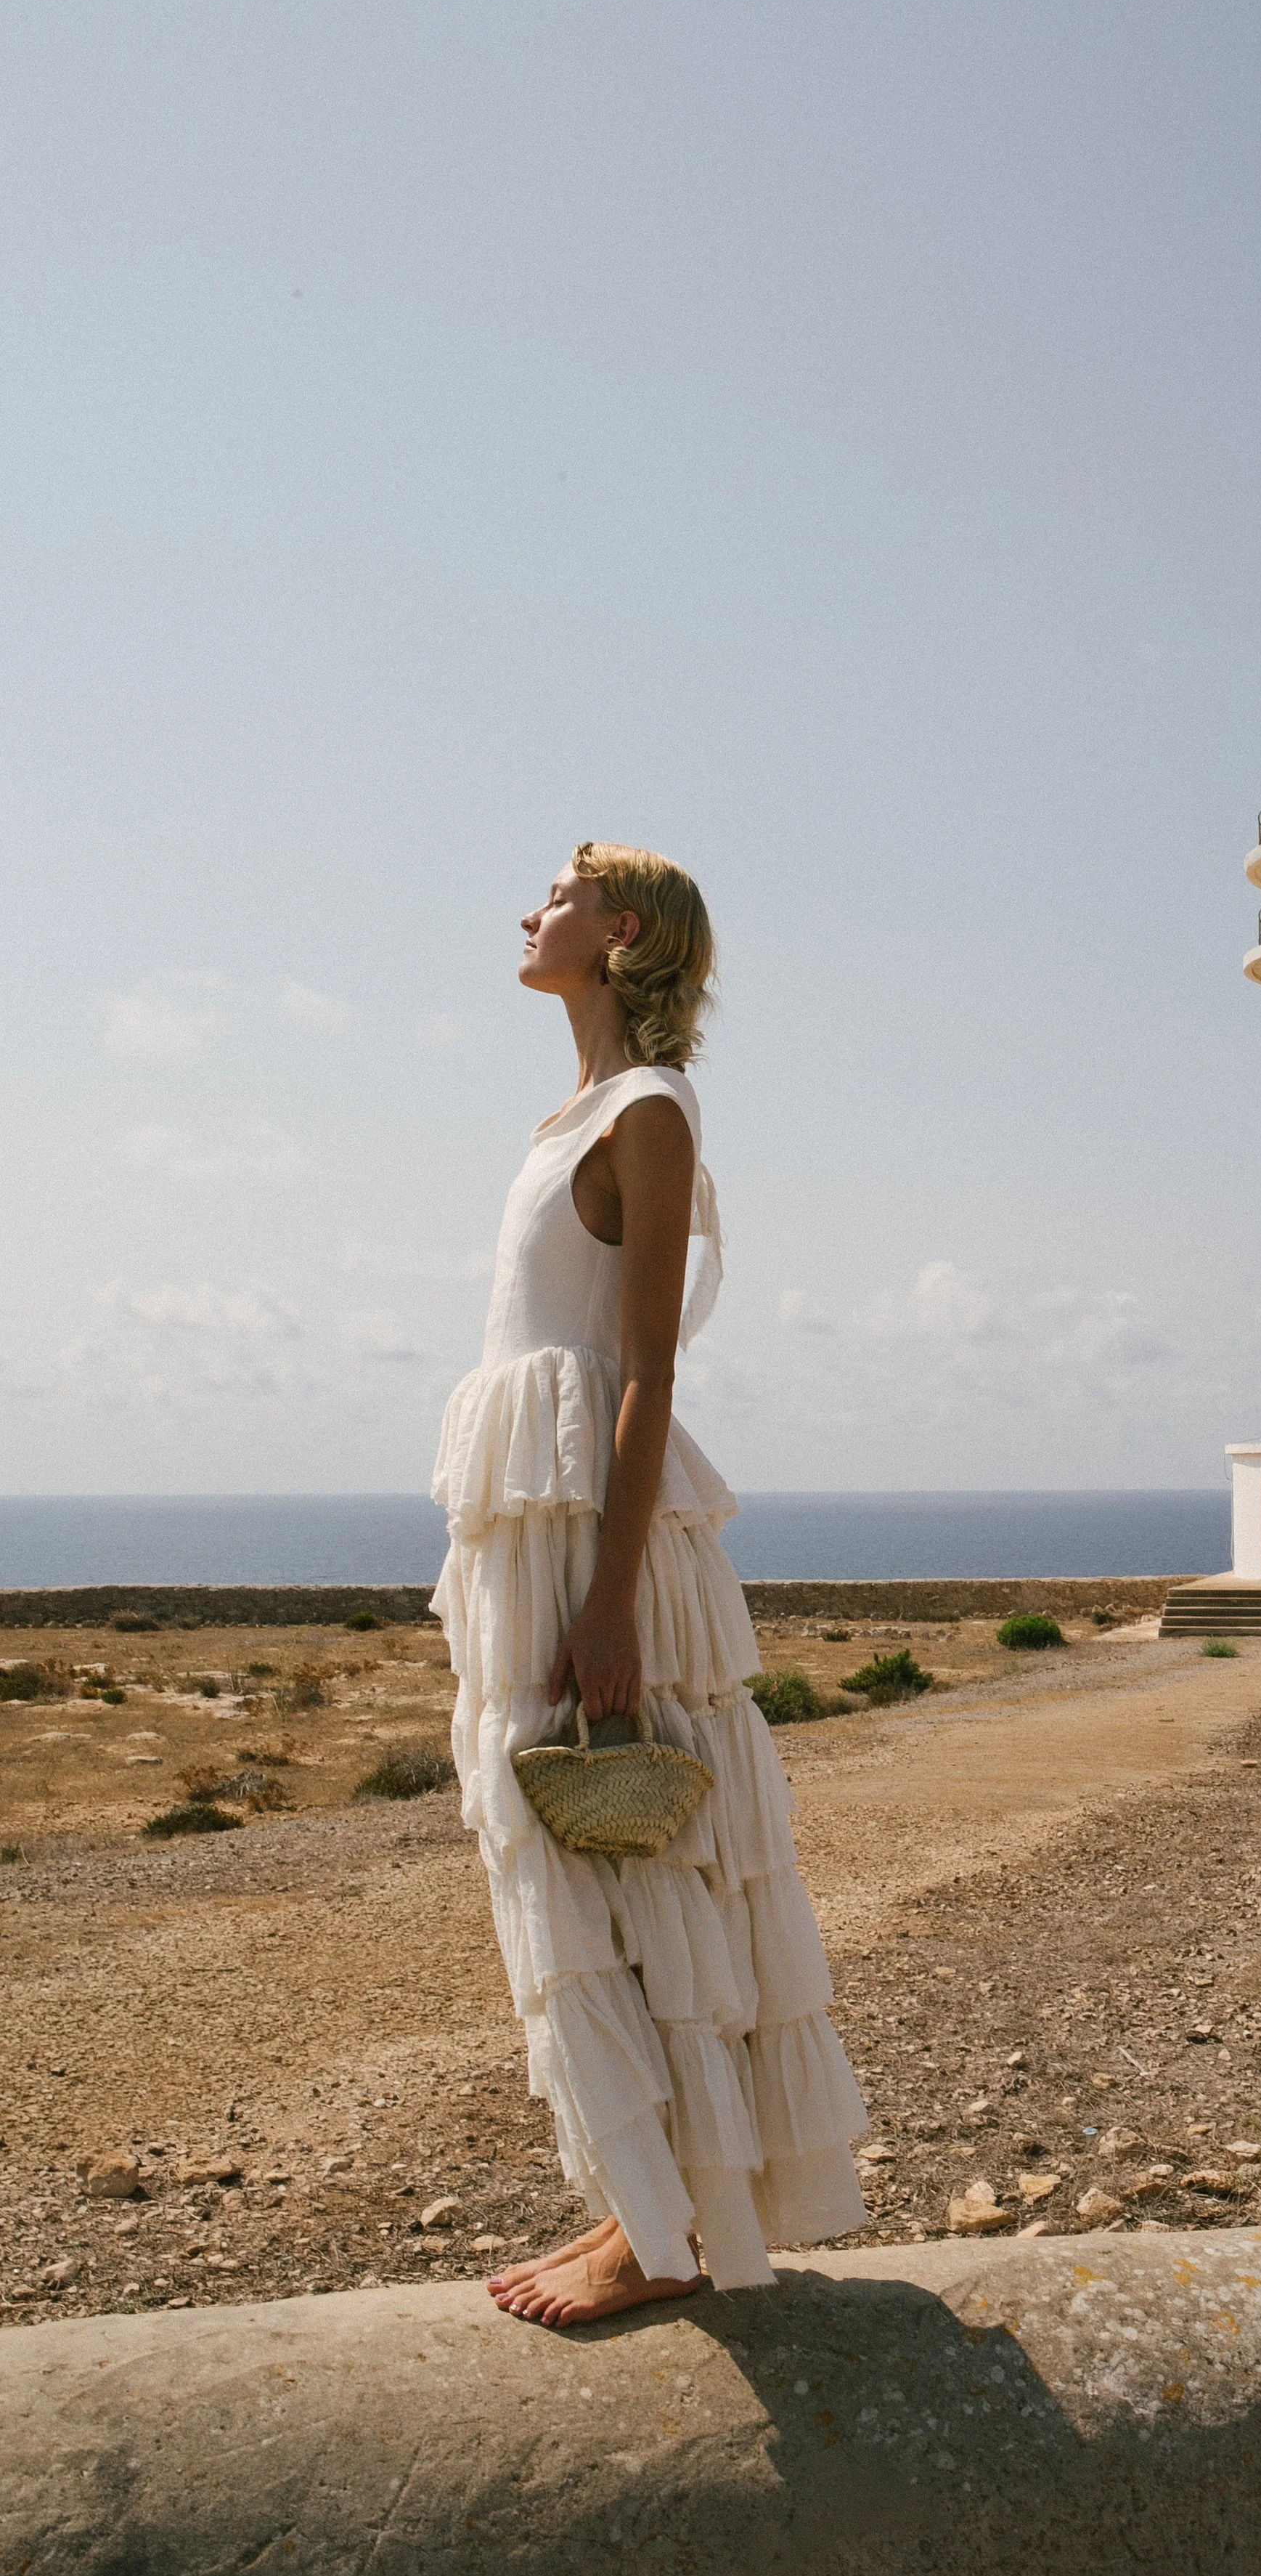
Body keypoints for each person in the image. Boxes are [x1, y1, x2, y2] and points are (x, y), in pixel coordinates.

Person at [430, 843, 868, 2324]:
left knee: (636, 1865)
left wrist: (608, 1600)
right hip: (534, 1529)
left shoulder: (652, 1111)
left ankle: (661, 2236)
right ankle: (643, 2205)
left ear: (620, 934)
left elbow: (646, 1374)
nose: (525, 909)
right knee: (557, 1853)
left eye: (552, 893)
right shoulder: (564, 1118)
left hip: (594, 1541)